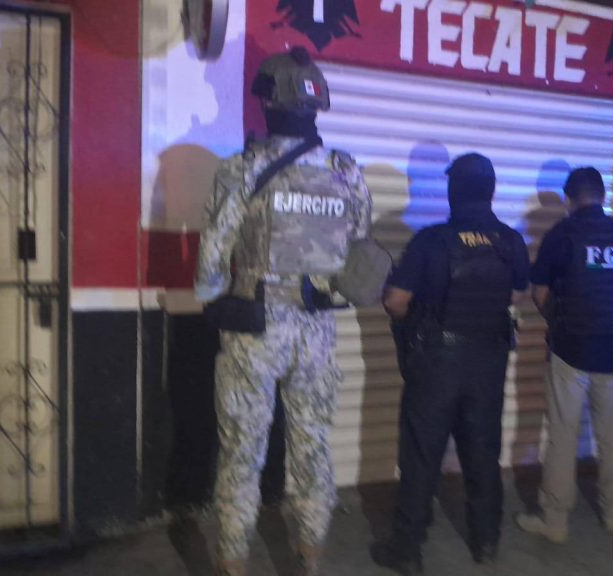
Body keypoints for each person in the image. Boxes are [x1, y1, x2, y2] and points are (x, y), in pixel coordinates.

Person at [194, 49, 372, 576]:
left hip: (254, 327)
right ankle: (310, 559)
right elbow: (358, 247)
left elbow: (211, 257)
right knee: (313, 447)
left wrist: (213, 296)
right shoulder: (346, 171)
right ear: (316, 105)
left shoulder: (241, 168)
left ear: (268, 101)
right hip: (317, 330)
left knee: (241, 452)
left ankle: (233, 562)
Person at [372, 153, 530, 575]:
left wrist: (417, 318)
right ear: (491, 191)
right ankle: (486, 542)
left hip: (436, 363)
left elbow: (396, 301)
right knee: (483, 452)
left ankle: (407, 549)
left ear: (452, 191)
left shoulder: (431, 241)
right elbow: (517, 295)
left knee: (422, 455)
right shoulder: (511, 241)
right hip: (489, 361)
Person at [515, 167, 613, 542]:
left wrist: (557, 320)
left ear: (569, 200)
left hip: (571, 350)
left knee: (563, 434)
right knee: (612, 436)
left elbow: (539, 291)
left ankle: (555, 521)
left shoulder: (563, 233)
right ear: (603, 196)